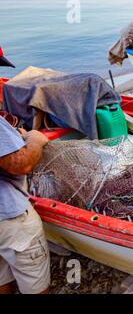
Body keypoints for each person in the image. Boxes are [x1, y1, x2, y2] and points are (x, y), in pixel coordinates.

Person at [0, 49, 51, 294]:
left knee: (2, 277)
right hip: (9, 219)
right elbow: (20, 164)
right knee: (35, 284)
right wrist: (35, 139)